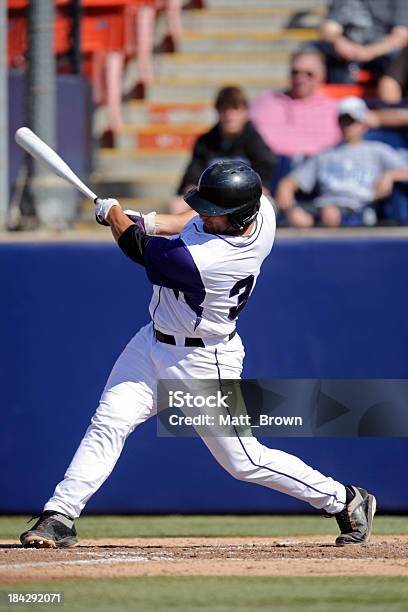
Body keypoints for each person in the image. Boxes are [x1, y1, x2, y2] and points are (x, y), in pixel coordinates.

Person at [20, 161, 376, 548]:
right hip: (151, 344)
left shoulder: (207, 262)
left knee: (244, 461)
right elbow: (187, 221)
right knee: (108, 422)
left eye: (215, 212)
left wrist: (117, 216)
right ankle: (60, 515)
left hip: (203, 362)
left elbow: (140, 249)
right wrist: (145, 218)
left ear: (239, 217)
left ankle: (345, 500)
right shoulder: (262, 210)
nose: (206, 216)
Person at [275, 97, 407, 228]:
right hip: (322, 207)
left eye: (352, 121)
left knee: (329, 214)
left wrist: (390, 176)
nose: (347, 126)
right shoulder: (324, 154)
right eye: (343, 121)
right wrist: (287, 197)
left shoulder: (377, 150)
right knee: (296, 218)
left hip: (359, 208)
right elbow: (290, 182)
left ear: (363, 124)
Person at [170, 86, 277, 213]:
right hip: (212, 200)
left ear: (245, 112)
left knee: (267, 205)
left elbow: (266, 173)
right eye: (224, 109)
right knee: (176, 206)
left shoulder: (254, 141)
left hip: (246, 199)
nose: (229, 115)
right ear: (217, 111)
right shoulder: (205, 142)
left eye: (235, 109)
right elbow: (192, 177)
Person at [249, 50, 341, 158]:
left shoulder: (335, 109)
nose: (300, 79)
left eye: (309, 74)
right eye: (295, 72)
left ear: (322, 76)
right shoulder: (266, 100)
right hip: (270, 164)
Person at [319, 0, 408, 83]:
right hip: (347, 54)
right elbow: (329, 27)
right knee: (314, 55)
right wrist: (340, 43)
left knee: (395, 63)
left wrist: (367, 52)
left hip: (382, 54)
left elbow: (401, 36)